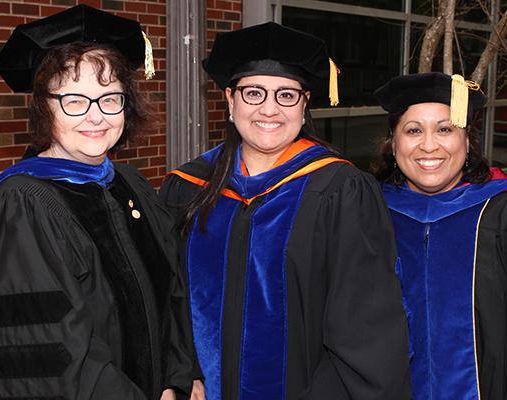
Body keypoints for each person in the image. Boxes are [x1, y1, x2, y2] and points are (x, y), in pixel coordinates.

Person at [0, 5, 197, 400]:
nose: (96, 116)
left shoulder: (129, 184)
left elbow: (173, 294)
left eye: (109, 98)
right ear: (44, 107)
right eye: (74, 100)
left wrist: (180, 378)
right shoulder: (23, 205)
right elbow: (49, 352)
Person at [160, 22, 411, 400]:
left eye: (286, 95)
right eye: (253, 93)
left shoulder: (338, 190)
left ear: (305, 103)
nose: (269, 109)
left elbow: (367, 328)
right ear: (230, 100)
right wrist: (183, 374)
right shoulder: (188, 187)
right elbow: (168, 297)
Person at [374, 72, 507, 400]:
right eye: (413, 130)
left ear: (468, 140)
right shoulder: (369, 215)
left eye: (445, 129)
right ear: (393, 141)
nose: (429, 145)